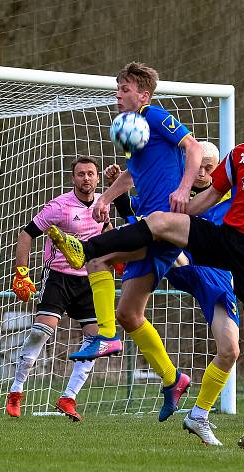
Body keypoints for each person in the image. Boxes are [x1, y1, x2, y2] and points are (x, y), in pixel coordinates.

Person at [47, 99, 244, 448]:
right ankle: (85, 251)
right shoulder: (241, 155)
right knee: (159, 222)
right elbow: (210, 196)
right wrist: (180, 211)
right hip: (222, 240)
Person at [59, 62, 204, 424]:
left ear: (143, 94)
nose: (118, 93)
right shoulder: (133, 130)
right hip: (147, 226)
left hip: (165, 224)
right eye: (117, 87)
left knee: (96, 257)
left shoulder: (153, 115)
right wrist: (105, 199)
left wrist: (185, 187)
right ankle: (174, 380)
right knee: (129, 314)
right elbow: (133, 174)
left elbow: (193, 148)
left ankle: (105, 335)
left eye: (124, 88)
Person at [105, 140, 240, 446]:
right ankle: (110, 332)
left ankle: (199, 415)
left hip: (216, 274)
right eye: (200, 165)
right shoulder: (171, 196)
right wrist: (119, 192)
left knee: (231, 349)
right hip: (178, 262)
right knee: (127, 308)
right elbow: (138, 217)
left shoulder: (230, 196)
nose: (203, 172)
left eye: (210, 167)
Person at [5, 156, 112, 422]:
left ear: (97, 178)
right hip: (58, 278)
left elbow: (110, 235)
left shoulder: (103, 205)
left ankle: (68, 397)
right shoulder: (60, 207)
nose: (86, 178)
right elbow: (26, 234)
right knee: (42, 332)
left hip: (90, 281)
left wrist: (118, 260)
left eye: (90, 174)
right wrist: (21, 271)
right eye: (80, 174)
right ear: (73, 178)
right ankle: (16, 390)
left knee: (95, 342)